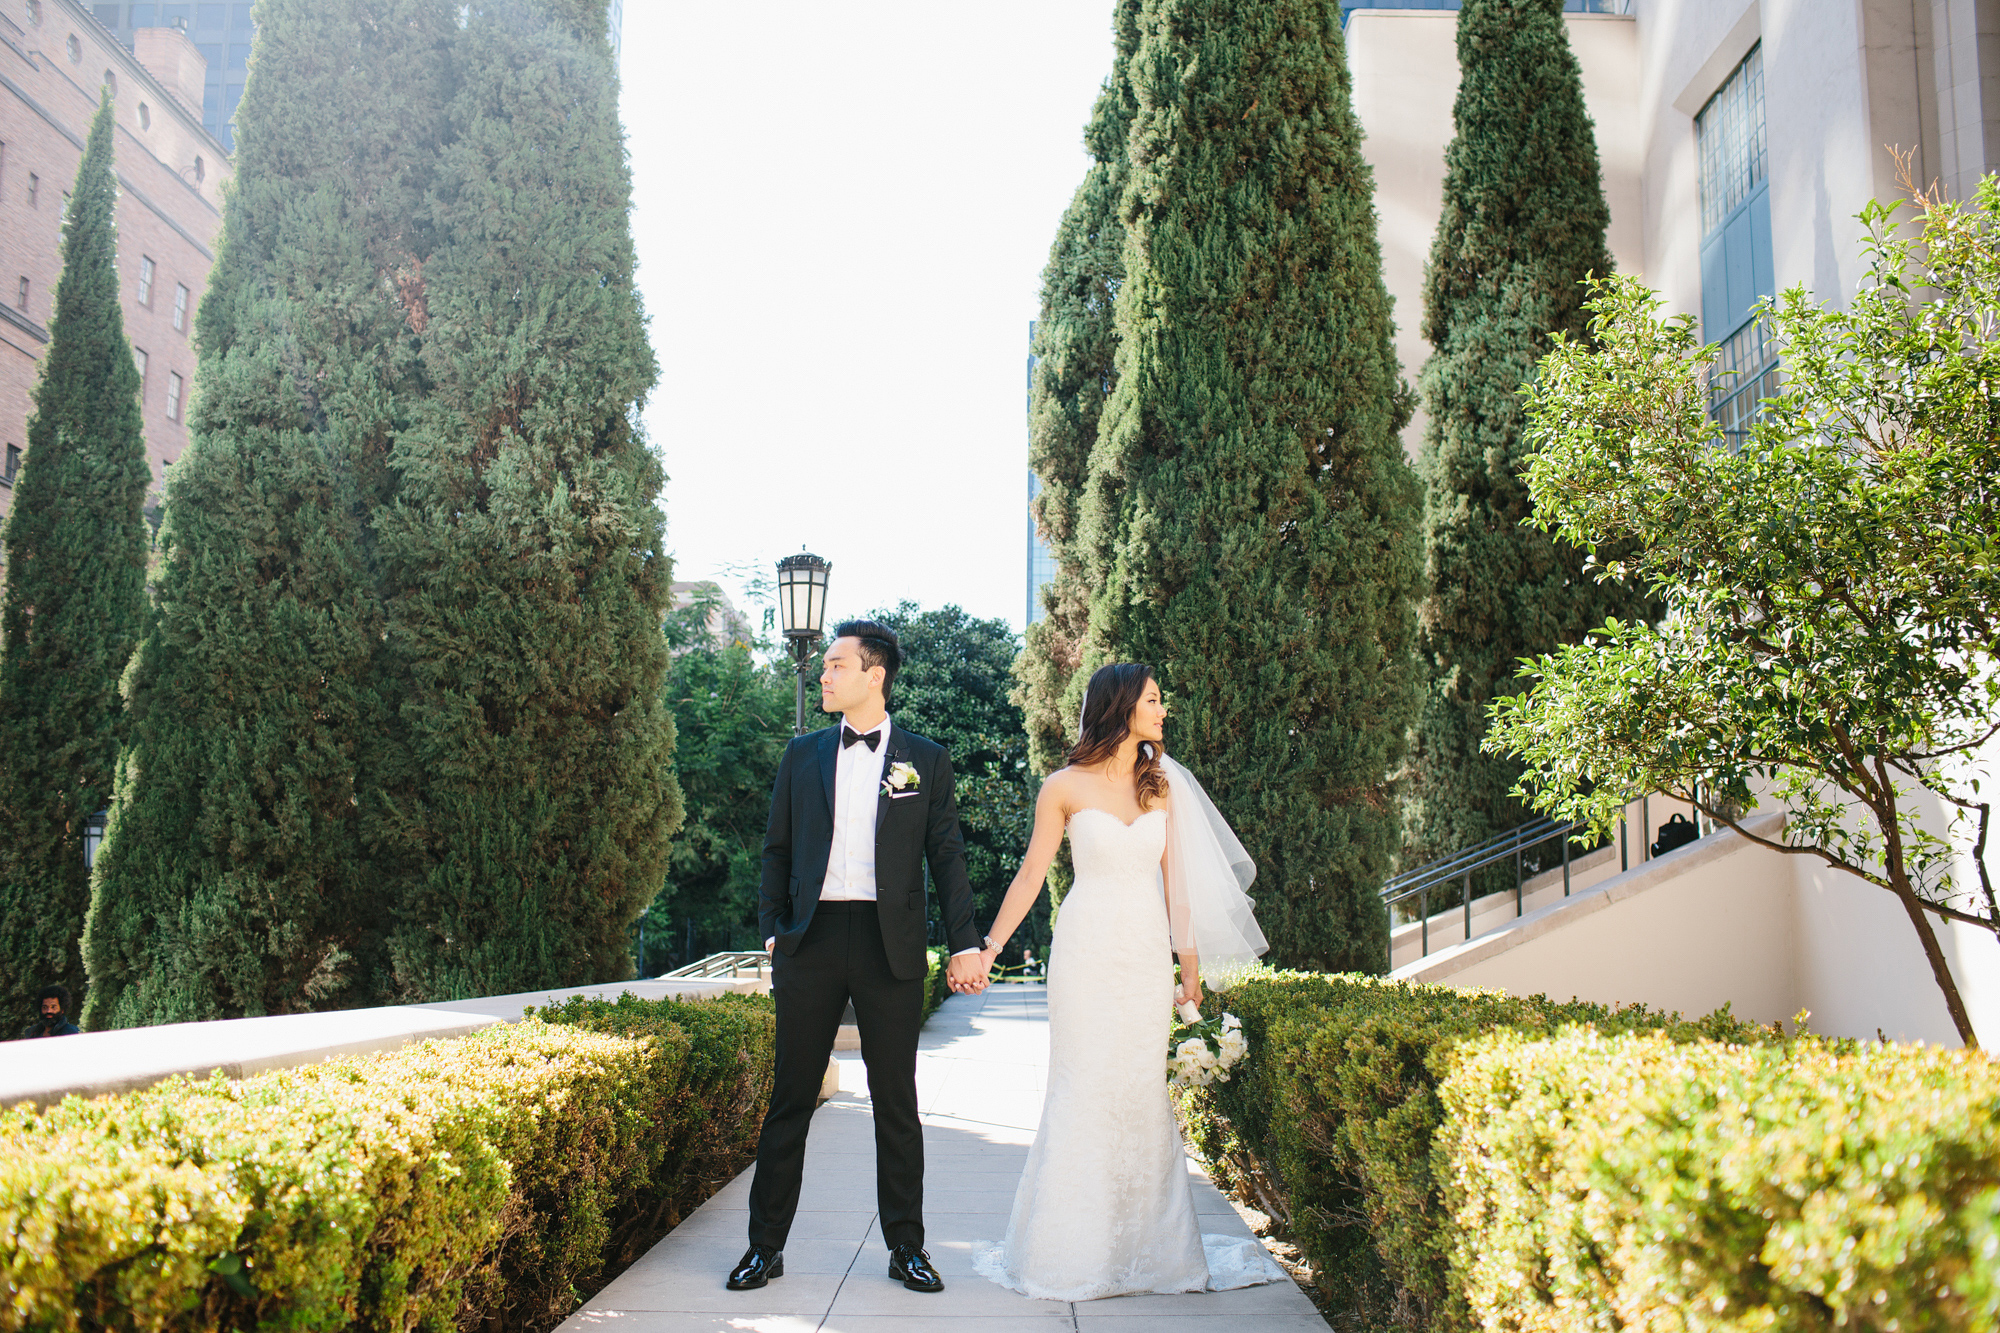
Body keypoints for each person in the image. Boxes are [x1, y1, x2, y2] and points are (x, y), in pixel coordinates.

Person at [969, 662, 1283, 1300]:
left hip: (1143, 957)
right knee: (1082, 1087)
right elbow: (1032, 875)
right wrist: (990, 947)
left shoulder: (1160, 787)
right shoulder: (1062, 786)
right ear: (1121, 708)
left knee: (1140, 1093)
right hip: (1085, 954)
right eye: (1154, 700)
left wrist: (1188, 964)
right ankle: (1069, 1253)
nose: (1164, 711)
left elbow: (1179, 888)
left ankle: (1151, 1254)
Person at [728, 620, 990, 1296]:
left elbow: (948, 857)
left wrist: (966, 940)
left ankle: (908, 1247)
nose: (825, 673)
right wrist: (772, 930)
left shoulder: (923, 759)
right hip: (811, 941)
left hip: (888, 944)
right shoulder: (801, 755)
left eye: (837, 664)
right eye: (824, 665)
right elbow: (777, 849)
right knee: (790, 1098)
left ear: (874, 675)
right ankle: (764, 1247)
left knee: (895, 1101)